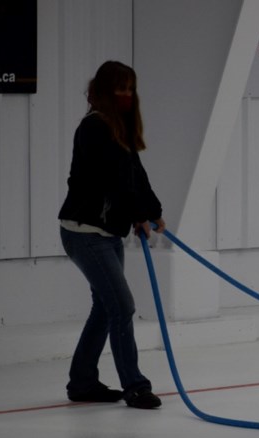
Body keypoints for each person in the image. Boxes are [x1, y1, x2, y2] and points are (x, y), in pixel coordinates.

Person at [58, 61, 166, 409]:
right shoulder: (94, 128)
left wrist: (152, 211)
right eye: (120, 89)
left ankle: (83, 382)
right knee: (122, 306)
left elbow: (135, 174)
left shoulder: (118, 128)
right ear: (104, 91)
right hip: (84, 232)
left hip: (106, 232)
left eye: (130, 89)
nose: (126, 95)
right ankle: (135, 385)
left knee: (106, 309)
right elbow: (112, 180)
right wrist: (138, 214)